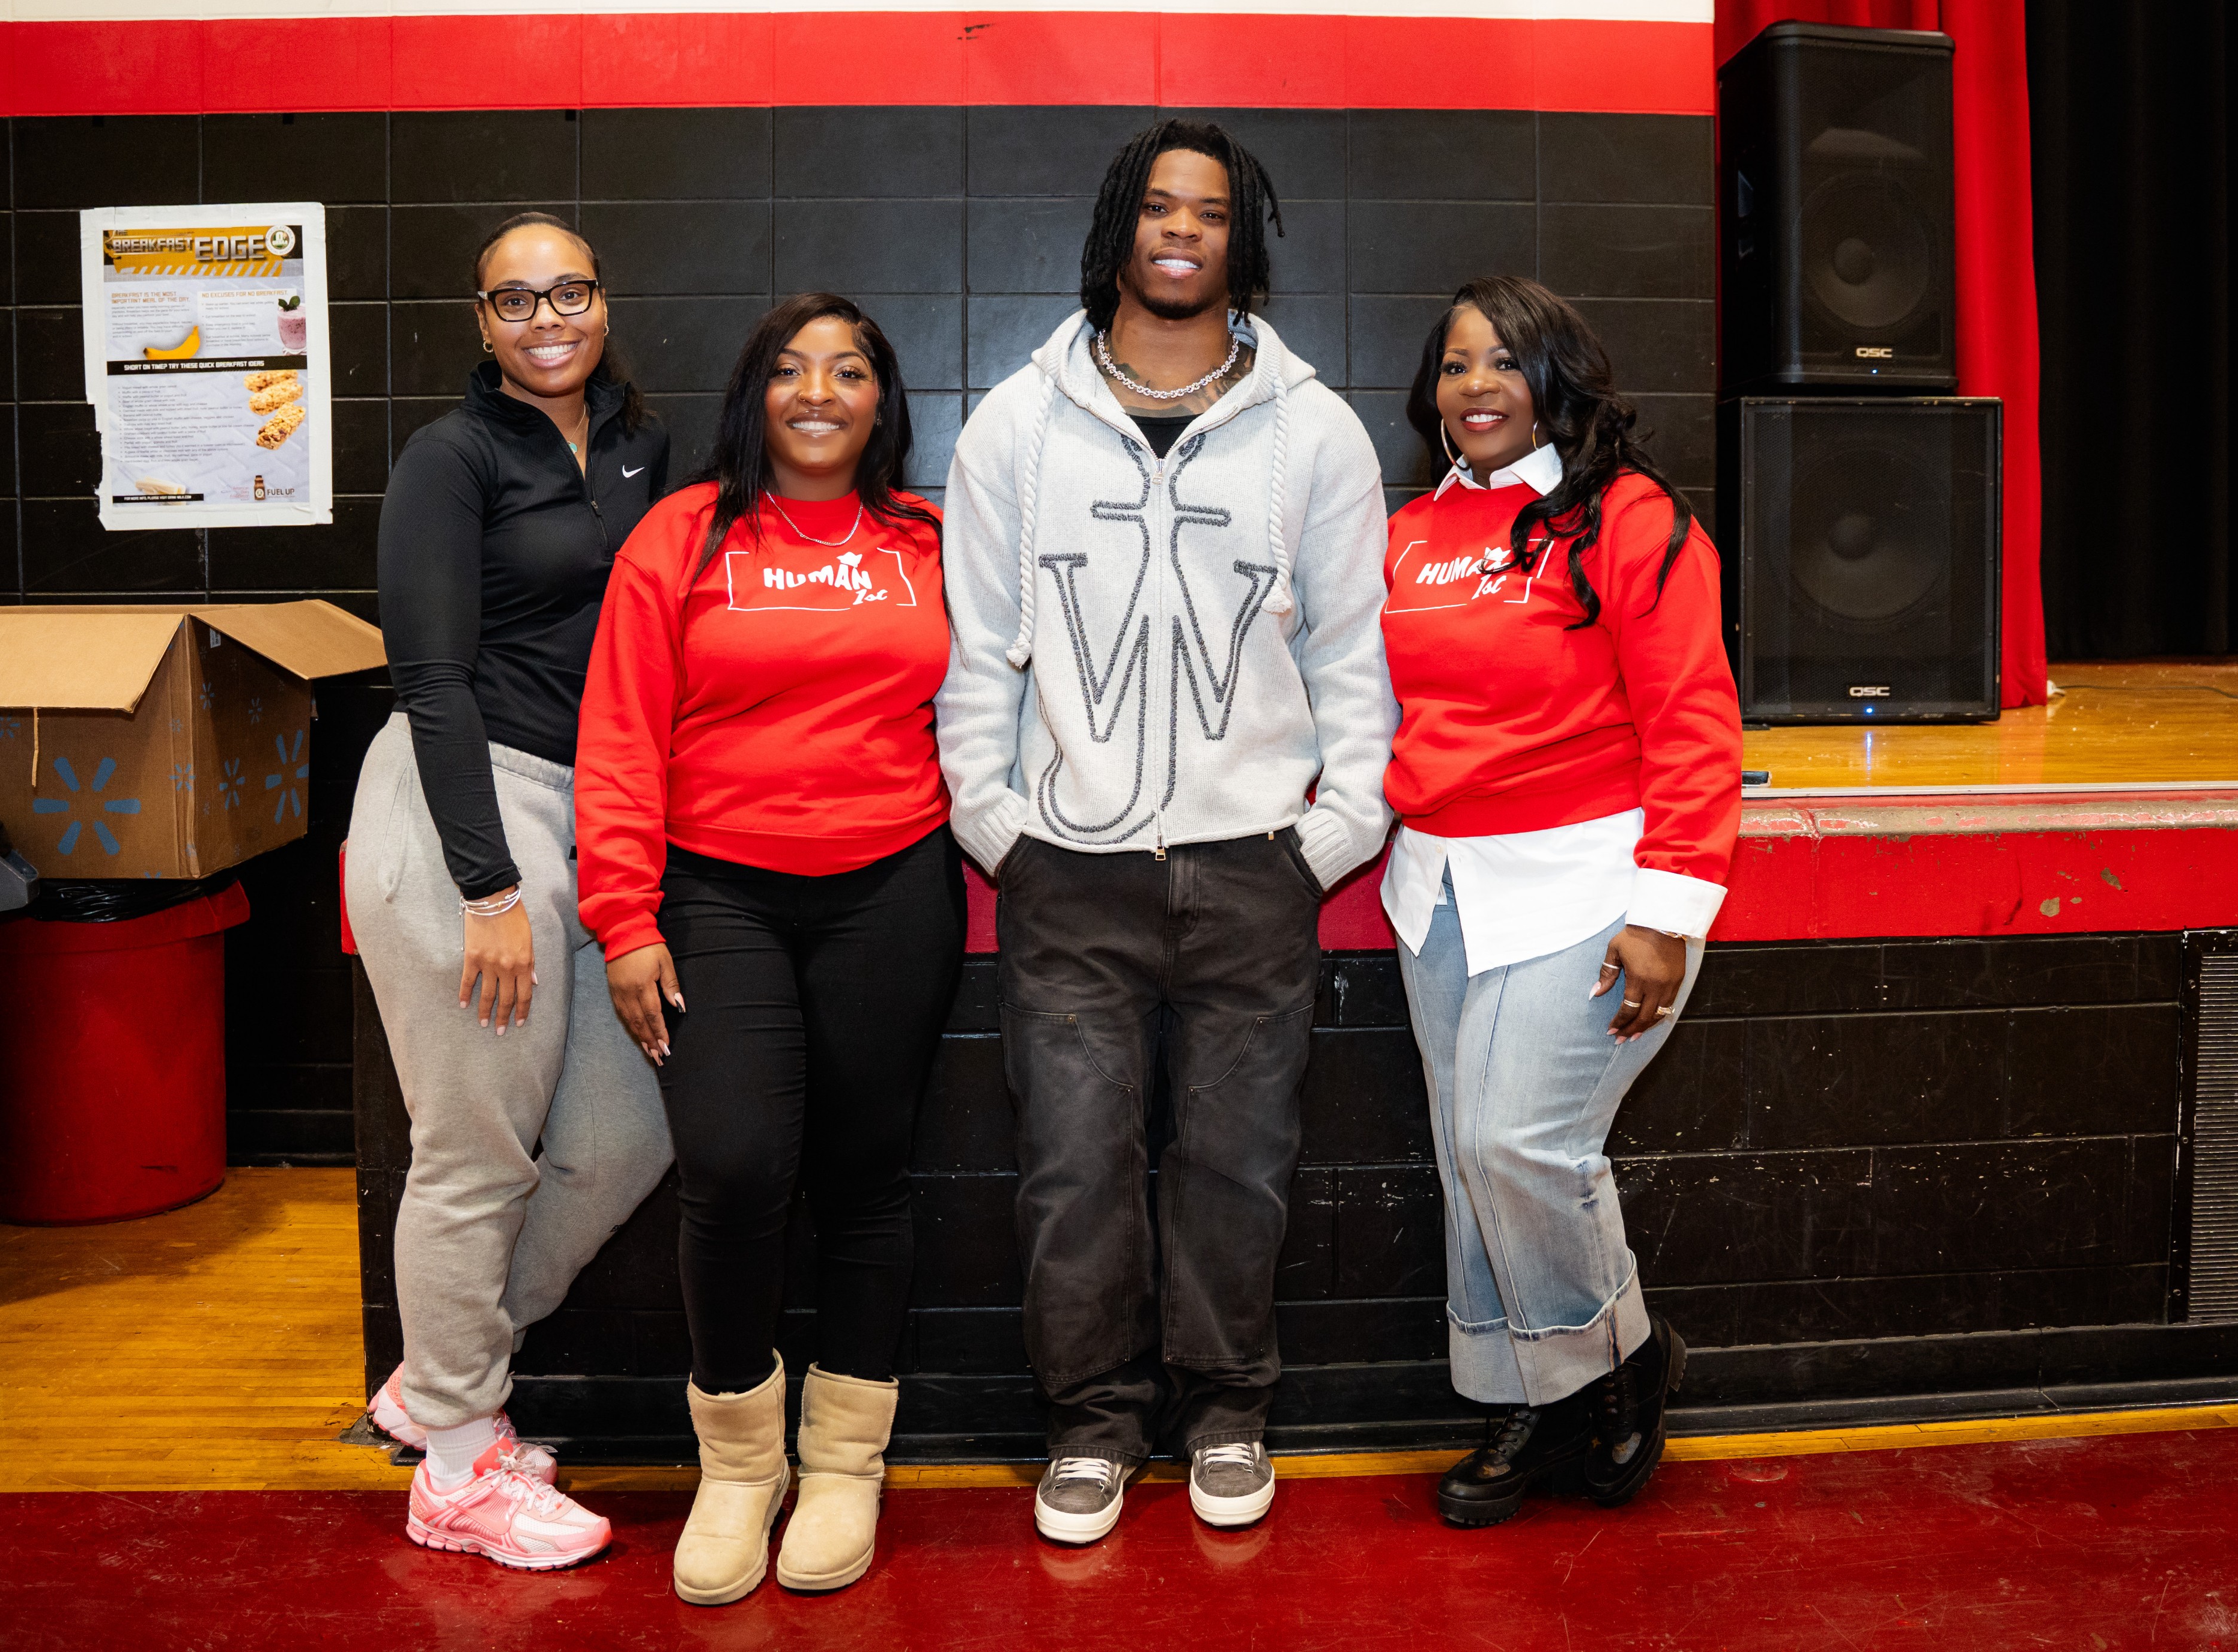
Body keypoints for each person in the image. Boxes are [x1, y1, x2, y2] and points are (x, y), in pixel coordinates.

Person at [939, 119, 1395, 1546]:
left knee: (1236, 1164)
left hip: (1253, 868)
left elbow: (1352, 660)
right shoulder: (1017, 422)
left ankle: (1227, 1408)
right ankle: (1089, 1422)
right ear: (1118, 231)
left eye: (1208, 210)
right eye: (1157, 207)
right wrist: (1000, 828)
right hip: (1065, 877)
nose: (1181, 230)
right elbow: (975, 653)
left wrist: (1323, 838)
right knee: (1072, 1166)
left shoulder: (1313, 430)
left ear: (1238, 238)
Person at [575, 294, 960, 1606]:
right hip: (715, 895)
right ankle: (738, 1466)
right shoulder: (680, 537)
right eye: (791, 370)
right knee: (733, 1168)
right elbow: (620, 735)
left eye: (849, 369)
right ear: (755, 397)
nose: (818, 391)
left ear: (877, 402)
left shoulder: (927, 540)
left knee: (864, 1175)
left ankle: (846, 1462)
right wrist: (623, 916)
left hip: (893, 887)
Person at [1378, 277, 1742, 1528]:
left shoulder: (1630, 520)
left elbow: (1694, 718)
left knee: (1517, 1146)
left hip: (1591, 886)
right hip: (1439, 890)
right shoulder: (1411, 530)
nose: (1474, 386)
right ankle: (1526, 1399)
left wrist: (1667, 911)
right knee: (1462, 1161)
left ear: (1556, 378)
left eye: (1503, 362)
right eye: (1453, 364)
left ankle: (1623, 1358)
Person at [347, 210, 675, 1570]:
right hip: (462, 806)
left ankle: (436, 1381)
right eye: (516, 299)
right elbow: (425, 672)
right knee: (475, 1150)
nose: (548, 317)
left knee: (626, 1131)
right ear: (479, 322)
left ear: (604, 301)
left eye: (571, 291)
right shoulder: (451, 455)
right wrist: (485, 885)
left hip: (594, 813)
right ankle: (460, 1462)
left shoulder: (643, 446)